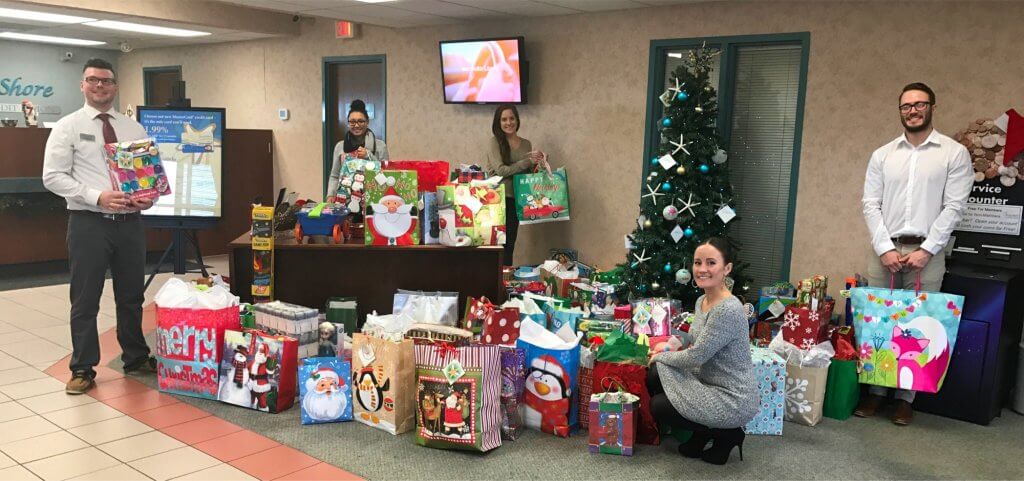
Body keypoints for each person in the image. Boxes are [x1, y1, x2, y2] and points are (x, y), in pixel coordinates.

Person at [858, 82, 972, 425]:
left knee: (920, 324)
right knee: (879, 322)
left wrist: (927, 249)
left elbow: (955, 207)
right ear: (900, 111)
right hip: (886, 251)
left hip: (928, 251)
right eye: (906, 105)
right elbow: (870, 204)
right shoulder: (883, 155)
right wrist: (884, 248)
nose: (913, 110)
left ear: (932, 108)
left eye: (920, 104)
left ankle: (907, 398)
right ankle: (876, 394)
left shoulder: (953, 153)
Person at [42, 58, 158, 395]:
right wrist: (97, 197)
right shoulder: (67, 127)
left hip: (130, 224)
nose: (99, 87)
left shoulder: (133, 130)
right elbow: (52, 177)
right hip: (88, 223)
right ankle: (82, 368)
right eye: (92, 81)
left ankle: (135, 356)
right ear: (83, 85)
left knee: (132, 295)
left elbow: (145, 178)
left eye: (106, 81)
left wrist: (146, 198)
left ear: (115, 86)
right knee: (85, 298)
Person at [647, 238, 757, 465]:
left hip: (732, 397)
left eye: (711, 262)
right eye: (698, 262)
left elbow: (696, 356)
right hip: (708, 380)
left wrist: (661, 355)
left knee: (659, 404)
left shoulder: (728, 309)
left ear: (726, 268)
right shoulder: (702, 300)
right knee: (656, 372)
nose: (702, 269)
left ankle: (727, 433)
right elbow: (696, 338)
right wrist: (673, 342)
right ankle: (704, 431)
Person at [482, 104, 548, 266]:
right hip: (496, 199)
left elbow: (526, 174)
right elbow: (500, 170)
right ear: (498, 123)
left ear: (517, 120)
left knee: (510, 244)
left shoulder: (526, 144)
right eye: (504, 119)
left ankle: (505, 282)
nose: (508, 122)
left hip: (516, 198)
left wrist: (539, 164)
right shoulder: (494, 142)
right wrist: (526, 162)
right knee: (496, 245)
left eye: (512, 118)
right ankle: (493, 281)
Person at [326, 99, 389, 202]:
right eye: (352, 122)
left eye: (361, 121)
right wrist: (330, 195)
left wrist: (369, 156)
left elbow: (386, 174)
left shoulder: (380, 146)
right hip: (344, 200)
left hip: (372, 199)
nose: (356, 125)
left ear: (367, 122)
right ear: (348, 123)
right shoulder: (340, 147)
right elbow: (334, 175)